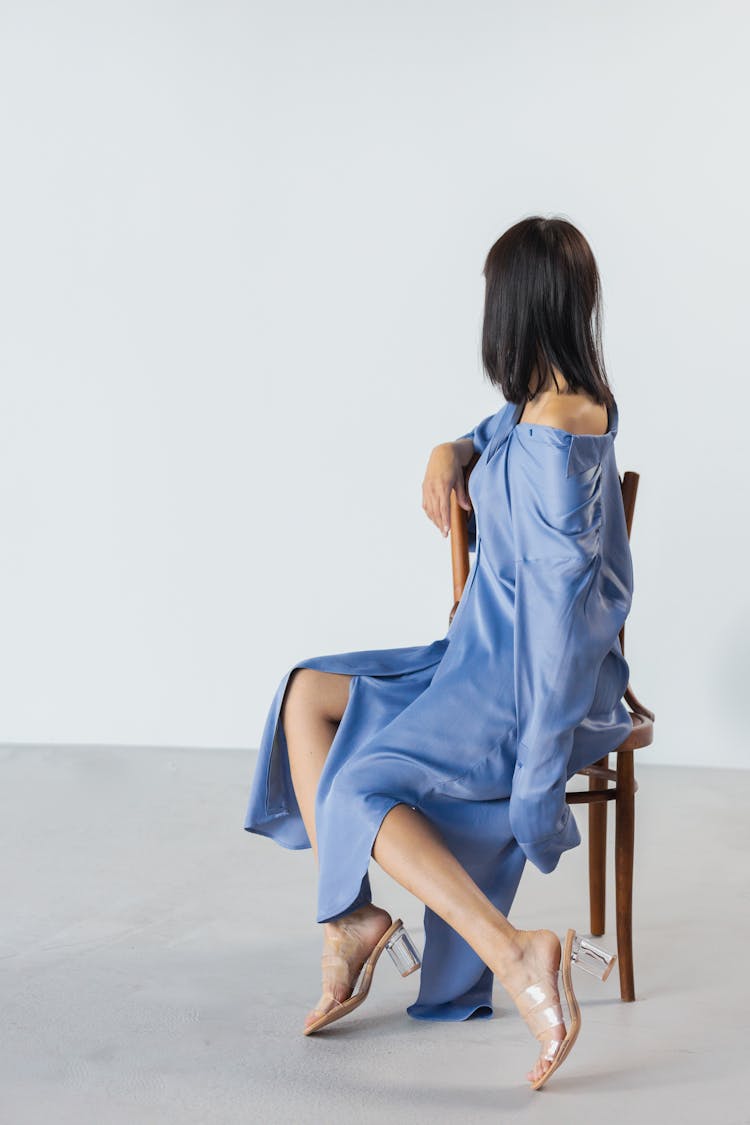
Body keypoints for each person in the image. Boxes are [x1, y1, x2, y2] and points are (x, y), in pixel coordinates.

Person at [243, 215, 633, 1090]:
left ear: (517, 307)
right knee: (305, 692)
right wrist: (449, 446)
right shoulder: (539, 405)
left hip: (516, 680)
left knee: (356, 782)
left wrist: (537, 770)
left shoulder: (560, 430)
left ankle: (517, 955)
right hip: (473, 649)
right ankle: (347, 918)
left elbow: (565, 625)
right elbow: (490, 435)